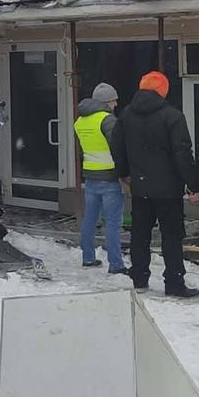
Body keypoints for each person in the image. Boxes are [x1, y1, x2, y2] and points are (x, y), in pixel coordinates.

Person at [108, 71, 199, 298]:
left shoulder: (127, 114)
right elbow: (182, 154)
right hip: (169, 189)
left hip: (140, 187)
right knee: (171, 236)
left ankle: (139, 279)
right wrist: (193, 184)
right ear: (163, 91)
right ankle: (174, 283)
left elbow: (116, 146)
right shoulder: (173, 116)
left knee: (140, 234)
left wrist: (124, 172)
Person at [73, 83, 126, 274]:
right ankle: (116, 264)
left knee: (90, 219)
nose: (116, 103)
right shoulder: (108, 120)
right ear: (107, 102)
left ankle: (88, 258)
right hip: (109, 177)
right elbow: (117, 148)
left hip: (90, 175)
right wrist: (125, 173)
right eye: (114, 100)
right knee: (112, 223)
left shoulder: (80, 121)